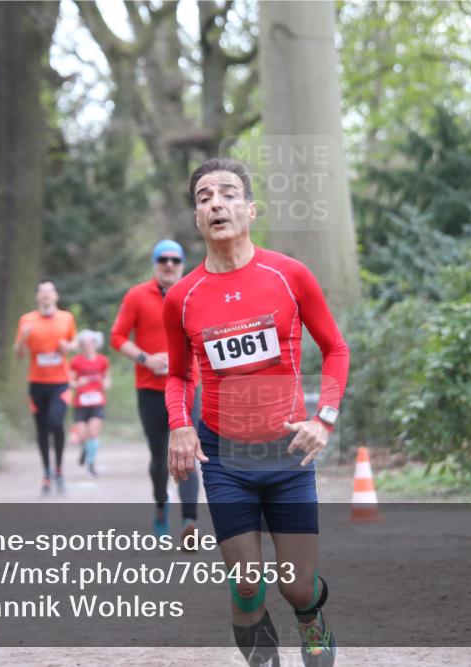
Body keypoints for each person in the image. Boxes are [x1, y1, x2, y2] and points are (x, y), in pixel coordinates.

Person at [164, 159, 349, 667]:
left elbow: (336, 348)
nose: (215, 203)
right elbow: (179, 376)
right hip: (225, 460)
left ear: (250, 209)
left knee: (297, 588)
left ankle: (311, 619)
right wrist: (180, 425)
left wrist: (324, 419)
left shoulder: (288, 275)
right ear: (197, 218)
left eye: (227, 194)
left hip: (287, 455)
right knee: (247, 585)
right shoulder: (182, 297)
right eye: (204, 197)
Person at [111, 240, 201, 541]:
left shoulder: (194, 293)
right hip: (150, 389)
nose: (169, 265)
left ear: (182, 264)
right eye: (163, 259)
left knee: (188, 452)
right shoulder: (137, 295)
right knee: (160, 457)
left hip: (189, 386)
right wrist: (145, 359)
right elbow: (117, 337)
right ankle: (161, 504)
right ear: (155, 263)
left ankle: (189, 522)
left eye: (175, 260)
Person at [14, 279, 77, 495]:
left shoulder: (66, 318)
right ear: (37, 297)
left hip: (60, 383)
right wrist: (23, 339)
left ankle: (59, 468)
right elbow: (19, 354)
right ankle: (47, 473)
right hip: (37, 383)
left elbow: (74, 343)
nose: (46, 295)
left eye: (50, 291)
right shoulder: (27, 320)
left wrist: (67, 346)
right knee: (41, 429)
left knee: (56, 422)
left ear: (56, 296)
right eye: (42, 292)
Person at [69, 329, 111, 477]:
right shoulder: (76, 361)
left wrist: (105, 383)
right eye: (84, 343)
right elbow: (70, 382)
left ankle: (91, 464)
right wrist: (78, 382)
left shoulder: (103, 361)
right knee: (82, 435)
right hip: (80, 403)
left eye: (90, 343)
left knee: (93, 433)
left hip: (97, 401)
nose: (88, 346)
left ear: (95, 344)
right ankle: (85, 449)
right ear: (81, 345)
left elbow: (107, 378)